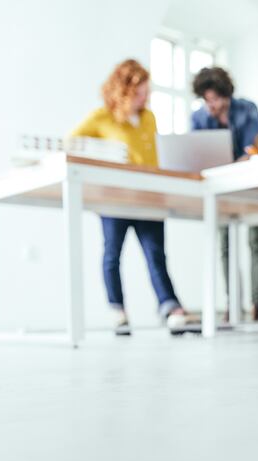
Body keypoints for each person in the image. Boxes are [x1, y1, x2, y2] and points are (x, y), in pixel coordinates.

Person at [72, 59, 189, 335]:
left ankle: (169, 306)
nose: (144, 98)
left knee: (156, 254)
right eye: (139, 93)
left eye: (147, 92)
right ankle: (118, 310)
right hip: (115, 197)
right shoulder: (102, 117)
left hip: (148, 197)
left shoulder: (149, 118)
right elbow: (72, 142)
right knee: (112, 254)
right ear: (123, 90)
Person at [191, 67, 258, 322]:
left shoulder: (248, 110)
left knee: (257, 241)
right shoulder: (198, 118)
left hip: (250, 181)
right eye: (206, 99)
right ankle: (232, 303)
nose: (210, 105)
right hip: (219, 187)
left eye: (214, 99)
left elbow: (251, 149)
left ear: (226, 95)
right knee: (224, 244)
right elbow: (195, 152)